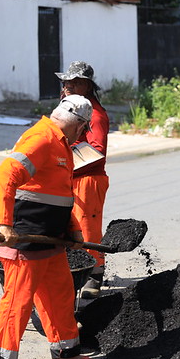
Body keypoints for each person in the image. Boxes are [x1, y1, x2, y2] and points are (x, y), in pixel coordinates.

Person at [0, 95, 101, 359]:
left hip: (50, 239)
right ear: (78, 122)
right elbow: (5, 173)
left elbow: (60, 194)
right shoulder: (42, 138)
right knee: (18, 302)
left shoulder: (61, 144)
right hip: (25, 237)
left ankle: (66, 352)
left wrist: (73, 229)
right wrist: (4, 223)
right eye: (84, 129)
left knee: (60, 295)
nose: (83, 135)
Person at [55, 61, 110, 299]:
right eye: (66, 81)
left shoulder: (95, 116)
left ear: (86, 86)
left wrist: (65, 165)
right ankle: (78, 270)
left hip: (88, 179)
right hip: (72, 177)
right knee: (71, 227)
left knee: (88, 229)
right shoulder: (72, 108)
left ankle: (94, 275)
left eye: (74, 82)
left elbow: (96, 151)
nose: (68, 86)